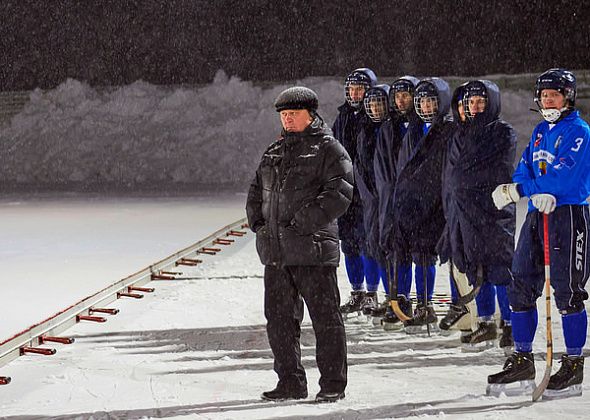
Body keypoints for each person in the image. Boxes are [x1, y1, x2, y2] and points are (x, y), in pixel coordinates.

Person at [246, 86, 353, 403]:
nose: (288, 119)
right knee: (279, 323)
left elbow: (339, 195)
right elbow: (255, 194)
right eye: (284, 115)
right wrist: (260, 225)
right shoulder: (273, 151)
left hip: (313, 254)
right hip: (277, 255)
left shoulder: (329, 150)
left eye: (293, 114)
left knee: (326, 321)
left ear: (311, 115)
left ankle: (333, 383)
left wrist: (301, 223)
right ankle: (290, 381)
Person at [488, 68, 590, 399]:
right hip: (537, 215)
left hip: (568, 215)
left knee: (567, 291)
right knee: (520, 282)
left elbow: (564, 179)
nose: (548, 101)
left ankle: (573, 365)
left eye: (555, 95)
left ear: (568, 98)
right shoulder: (539, 132)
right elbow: (525, 167)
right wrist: (528, 189)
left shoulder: (579, 131)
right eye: (544, 95)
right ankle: (522, 358)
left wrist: (524, 189)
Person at [437, 80, 516, 352]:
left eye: (480, 102)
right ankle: (485, 322)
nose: (475, 107)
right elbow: (451, 176)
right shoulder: (461, 133)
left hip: (492, 213)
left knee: (500, 270)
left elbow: (499, 172)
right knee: (474, 268)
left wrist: (465, 184)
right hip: (463, 214)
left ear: (491, 102)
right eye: (471, 102)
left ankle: (510, 323)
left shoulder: (502, 132)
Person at [387, 78, 454, 333]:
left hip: (434, 202)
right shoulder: (414, 129)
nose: (426, 106)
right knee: (411, 251)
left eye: (430, 101)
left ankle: (432, 306)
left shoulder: (447, 130)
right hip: (410, 201)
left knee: (427, 253)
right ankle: (414, 302)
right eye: (422, 101)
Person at [373, 76, 420, 328]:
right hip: (391, 198)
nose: (401, 100)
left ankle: (418, 301)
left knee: (419, 251)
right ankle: (397, 298)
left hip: (414, 198)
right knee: (392, 248)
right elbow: (382, 166)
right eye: (398, 95)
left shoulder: (418, 125)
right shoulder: (388, 127)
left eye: (406, 94)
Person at [332, 68, 379, 318]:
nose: (354, 93)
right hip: (346, 191)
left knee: (368, 244)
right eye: (351, 89)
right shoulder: (343, 117)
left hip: (367, 191)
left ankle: (372, 294)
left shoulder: (375, 117)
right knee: (349, 244)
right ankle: (357, 292)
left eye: (359, 88)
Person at [353, 84, 391, 317]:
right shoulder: (364, 129)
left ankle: (394, 297)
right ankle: (371, 293)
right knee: (370, 244)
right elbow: (361, 163)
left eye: (380, 103)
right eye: (372, 104)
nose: (376, 108)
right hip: (370, 197)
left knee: (389, 248)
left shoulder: (392, 128)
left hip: (387, 197)